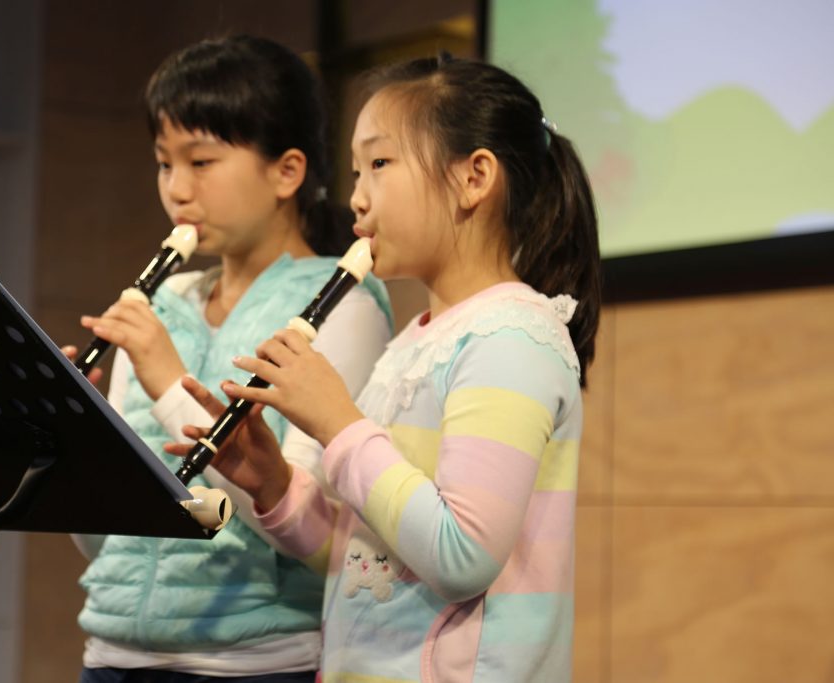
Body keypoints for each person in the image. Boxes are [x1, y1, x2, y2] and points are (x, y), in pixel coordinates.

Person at [168, 53, 602, 681]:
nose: (356, 197)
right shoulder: (414, 341)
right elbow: (362, 562)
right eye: (355, 171)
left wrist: (340, 425)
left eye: (379, 164)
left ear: (474, 177)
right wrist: (274, 484)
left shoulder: (512, 338)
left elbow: (461, 556)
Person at [65, 35, 393, 682]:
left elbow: (305, 531)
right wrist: (79, 444)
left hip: (254, 662)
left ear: (286, 172)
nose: (177, 190)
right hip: (110, 655)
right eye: (164, 164)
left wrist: (168, 386)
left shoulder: (343, 304)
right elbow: (107, 542)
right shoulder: (161, 302)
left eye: (201, 162)